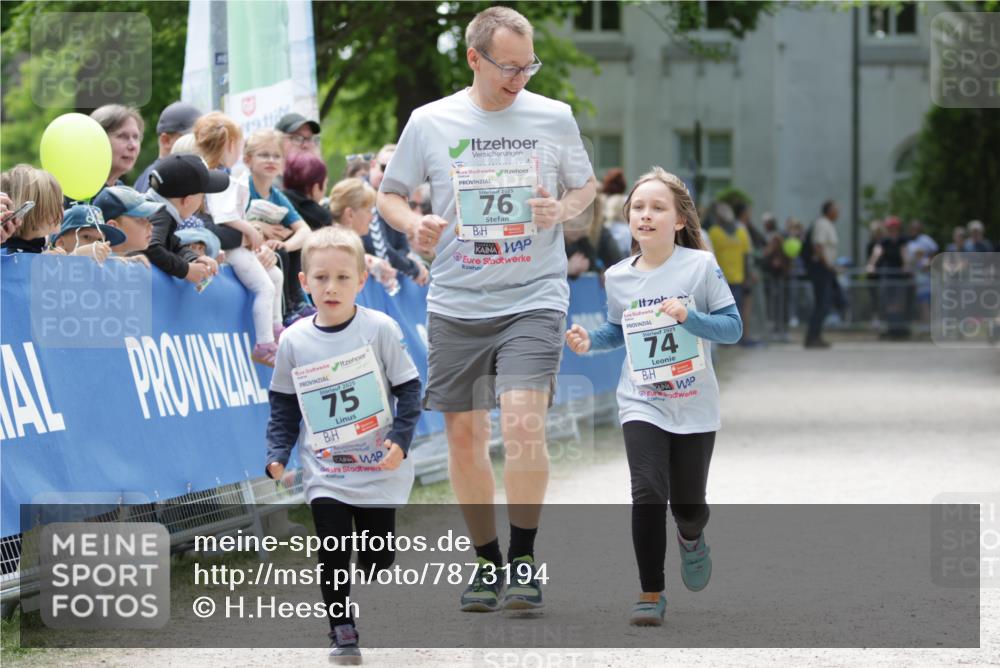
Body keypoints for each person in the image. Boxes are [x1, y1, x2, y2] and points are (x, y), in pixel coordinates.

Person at [375, 6, 597, 613]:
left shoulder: (554, 117)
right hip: (456, 300)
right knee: (465, 436)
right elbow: (390, 195)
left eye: (529, 66)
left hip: (534, 296)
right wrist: (413, 222)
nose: (520, 77)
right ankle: (486, 563)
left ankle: (524, 559)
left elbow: (586, 185)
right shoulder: (430, 121)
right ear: (474, 58)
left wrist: (565, 210)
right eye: (508, 66)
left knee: (523, 423)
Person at [564, 167, 741, 626]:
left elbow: (733, 327)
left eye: (658, 207)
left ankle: (692, 535)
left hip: (695, 403)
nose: (646, 215)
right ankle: (650, 591)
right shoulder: (618, 276)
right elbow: (617, 329)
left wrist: (690, 317)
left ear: (679, 220)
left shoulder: (700, 266)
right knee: (645, 491)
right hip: (642, 399)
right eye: (638, 207)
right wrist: (591, 340)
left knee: (688, 505)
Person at [264, 226, 422, 664]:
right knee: (332, 548)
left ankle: (374, 557)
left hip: (377, 465)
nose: (331, 288)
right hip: (327, 470)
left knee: (378, 555)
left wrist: (400, 440)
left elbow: (409, 390)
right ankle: (341, 628)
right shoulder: (294, 340)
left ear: (361, 281)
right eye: (320, 278)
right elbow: (283, 404)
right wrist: (278, 452)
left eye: (342, 278)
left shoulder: (380, 329)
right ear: (303, 282)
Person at [195, 113, 285, 365]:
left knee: (275, 275)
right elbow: (224, 218)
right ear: (230, 145)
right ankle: (264, 342)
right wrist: (249, 230)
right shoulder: (218, 178)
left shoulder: (219, 176)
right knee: (264, 287)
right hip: (233, 250)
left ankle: (276, 327)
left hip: (236, 245)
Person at [244, 129, 313, 316]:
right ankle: (287, 311)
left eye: (276, 156)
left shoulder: (278, 196)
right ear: (247, 160)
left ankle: (297, 302)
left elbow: (304, 231)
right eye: (264, 155)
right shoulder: (241, 189)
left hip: (271, 252)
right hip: (248, 251)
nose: (271, 160)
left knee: (292, 246)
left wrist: (285, 244)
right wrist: (258, 226)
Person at [143, 153, 227, 288]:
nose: (203, 200)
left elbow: (170, 243)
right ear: (187, 201)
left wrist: (192, 258)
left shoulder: (158, 208)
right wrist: (186, 270)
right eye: (202, 195)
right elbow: (150, 247)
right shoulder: (159, 213)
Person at [365, 144, 429, 287]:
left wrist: (408, 264)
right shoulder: (363, 196)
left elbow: (403, 245)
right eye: (384, 168)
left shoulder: (395, 197)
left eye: (395, 172)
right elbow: (380, 249)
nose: (389, 176)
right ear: (373, 165)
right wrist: (413, 269)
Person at [329, 178, 399, 295]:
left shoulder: (343, 244)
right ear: (350, 214)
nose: (372, 218)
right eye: (368, 211)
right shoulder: (333, 247)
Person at [134, 102, 202, 193]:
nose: (200, 143)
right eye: (192, 137)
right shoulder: (162, 178)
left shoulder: (152, 175)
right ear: (165, 140)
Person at [0, 165, 65, 255]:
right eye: (57, 204)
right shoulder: (6, 257)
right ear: (34, 211)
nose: (62, 210)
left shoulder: (43, 249)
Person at [93, 185, 164, 264]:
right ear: (112, 227)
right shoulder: (92, 265)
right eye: (140, 219)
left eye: (147, 218)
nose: (151, 226)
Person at [804, 200, 839, 348]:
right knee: (821, 304)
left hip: (825, 269)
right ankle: (812, 337)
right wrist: (827, 265)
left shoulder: (827, 224)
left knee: (824, 304)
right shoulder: (822, 224)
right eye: (836, 209)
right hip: (822, 269)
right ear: (829, 211)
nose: (838, 212)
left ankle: (815, 335)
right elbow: (818, 246)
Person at [707, 202, 750, 323]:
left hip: (734, 279)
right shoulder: (714, 232)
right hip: (721, 279)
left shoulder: (740, 232)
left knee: (733, 312)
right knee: (725, 312)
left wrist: (746, 277)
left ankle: (731, 339)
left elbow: (746, 256)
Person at [563, 196, 624, 279]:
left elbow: (592, 264)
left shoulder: (583, 243)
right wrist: (567, 269)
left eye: (581, 226)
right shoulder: (556, 244)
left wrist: (601, 272)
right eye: (572, 226)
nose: (576, 230)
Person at [90, 104, 144, 192]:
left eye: (136, 137)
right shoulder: (69, 190)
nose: (133, 145)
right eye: (122, 136)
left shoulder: (124, 192)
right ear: (98, 138)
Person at [51, 204, 126, 263]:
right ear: (61, 243)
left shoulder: (98, 272)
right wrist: (76, 255)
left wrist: (128, 263)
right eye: (86, 237)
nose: (95, 245)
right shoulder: (48, 265)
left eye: (100, 240)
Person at [282, 152, 332, 230]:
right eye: (325, 184)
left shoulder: (275, 199)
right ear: (315, 188)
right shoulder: (322, 218)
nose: (325, 189)